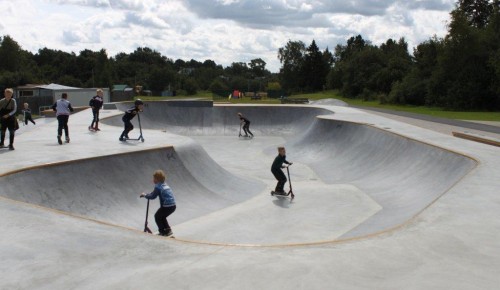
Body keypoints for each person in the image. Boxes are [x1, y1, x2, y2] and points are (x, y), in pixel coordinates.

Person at [140, 170, 176, 237]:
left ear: (157, 179)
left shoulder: (158, 186)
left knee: (157, 216)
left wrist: (145, 195)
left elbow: (153, 196)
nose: (153, 180)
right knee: (162, 216)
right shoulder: (164, 184)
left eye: (154, 178)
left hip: (166, 206)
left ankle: (162, 232)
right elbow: (153, 193)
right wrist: (147, 194)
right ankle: (168, 230)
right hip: (173, 206)